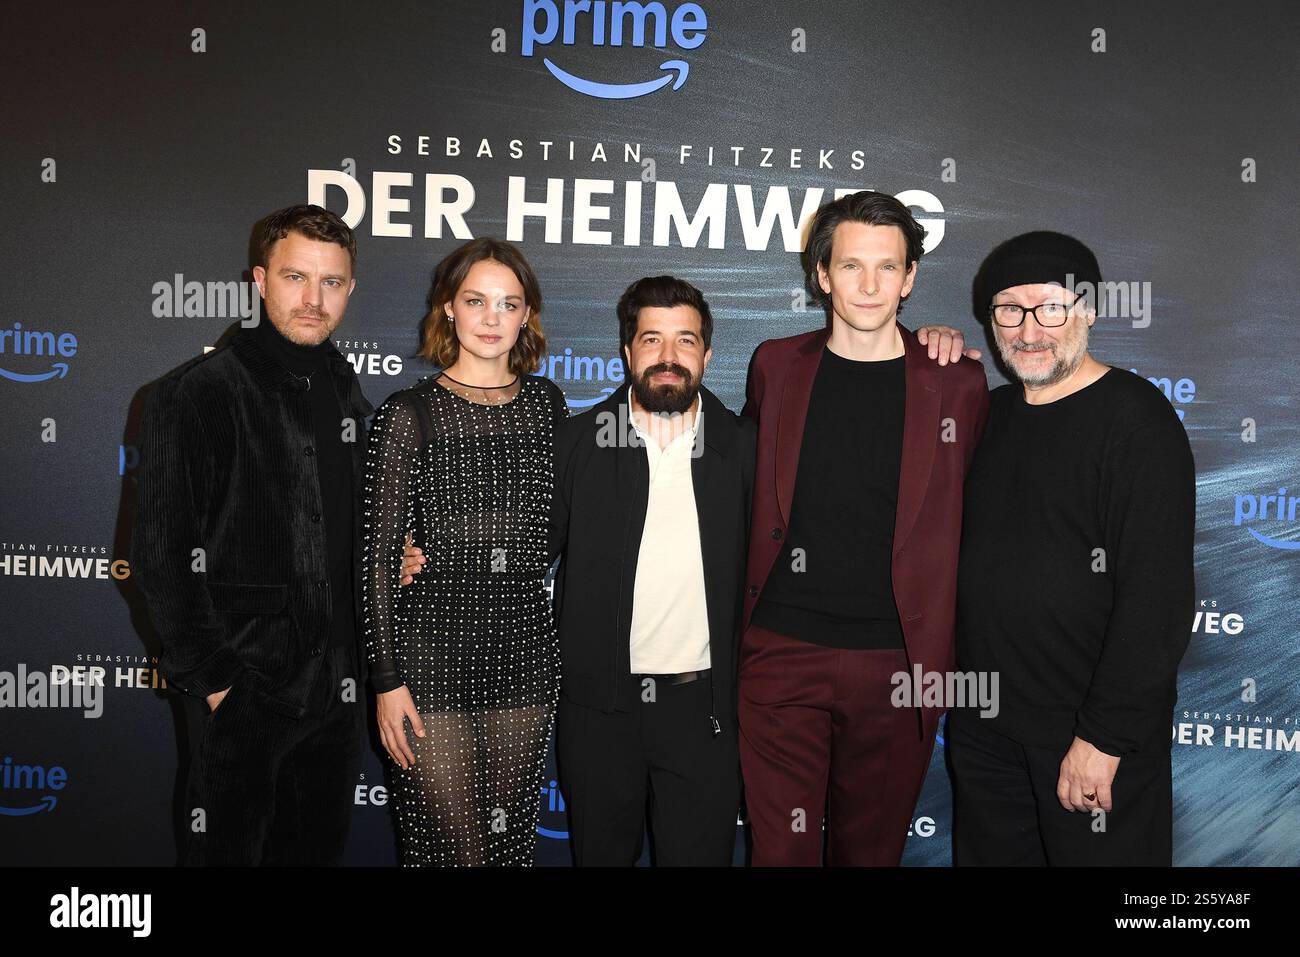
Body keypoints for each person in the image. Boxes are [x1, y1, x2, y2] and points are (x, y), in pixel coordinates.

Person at [407, 276, 756, 865]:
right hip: (598, 712)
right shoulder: (579, 441)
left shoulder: (748, 449)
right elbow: (521, 553)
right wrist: (427, 558)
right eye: (652, 339)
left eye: (685, 341)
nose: (668, 358)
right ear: (627, 353)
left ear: (708, 354)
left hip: (707, 715)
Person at [738, 190, 989, 865]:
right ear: (821, 274)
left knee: (869, 856)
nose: (870, 284)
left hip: (897, 664)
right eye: (852, 266)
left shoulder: (958, 383)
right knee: (778, 855)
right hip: (777, 655)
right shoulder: (776, 364)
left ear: (911, 278)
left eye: (888, 267)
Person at [131, 204, 370, 865]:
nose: (313, 299)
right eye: (296, 277)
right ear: (260, 280)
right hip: (246, 693)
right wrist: (219, 685)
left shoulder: (345, 390)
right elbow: (159, 558)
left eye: (331, 282)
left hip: (334, 695)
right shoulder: (199, 392)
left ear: (349, 289)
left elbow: (335, 524)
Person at [946, 231, 1194, 865]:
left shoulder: (1137, 420)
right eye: (1009, 308)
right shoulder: (987, 416)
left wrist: (1103, 738)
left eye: (1050, 307)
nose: (1029, 330)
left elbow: (1157, 599)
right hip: (985, 734)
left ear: (1086, 310)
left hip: (1088, 740)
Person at [363, 238, 567, 866]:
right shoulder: (407, 413)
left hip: (525, 653)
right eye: (475, 301)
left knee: (508, 853)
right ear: (448, 308)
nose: (491, 318)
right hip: (427, 661)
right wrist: (385, 681)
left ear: (526, 315)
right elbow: (373, 561)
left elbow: (558, 532)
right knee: (452, 853)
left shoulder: (549, 405)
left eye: (508, 304)